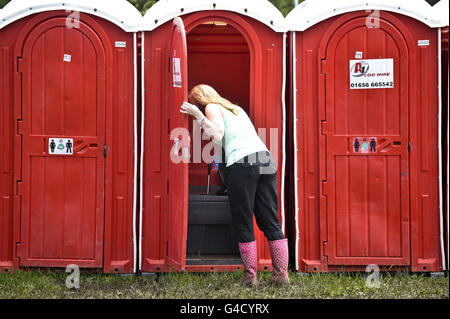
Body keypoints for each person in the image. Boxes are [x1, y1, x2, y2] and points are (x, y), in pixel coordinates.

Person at [180, 84, 289, 286]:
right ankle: (281, 276)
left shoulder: (211, 107)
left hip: (243, 164)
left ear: (199, 100)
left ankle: (250, 279)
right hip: (265, 161)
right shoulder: (236, 109)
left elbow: (218, 135)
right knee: (270, 221)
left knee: (243, 221)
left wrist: (198, 115)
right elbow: (224, 141)